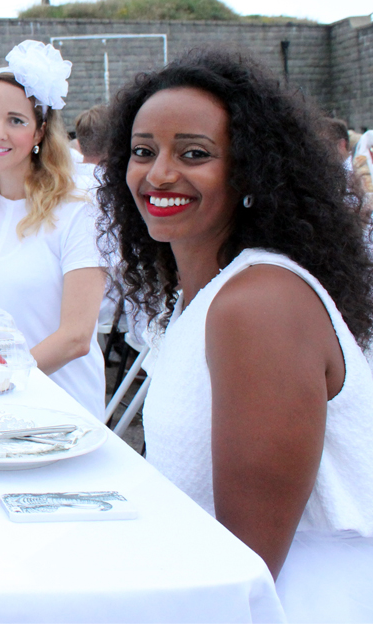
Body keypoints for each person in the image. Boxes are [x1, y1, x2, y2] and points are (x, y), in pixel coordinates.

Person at [98, 49, 373, 622]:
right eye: (143, 151)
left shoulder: (258, 305)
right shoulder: (201, 293)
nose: (159, 174)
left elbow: (247, 566)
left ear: (250, 172)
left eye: (193, 154)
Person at [0, 41, 107, 420]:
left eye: (16, 120)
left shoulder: (79, 209)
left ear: (39, 132)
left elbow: (76, 337)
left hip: (59, 410)